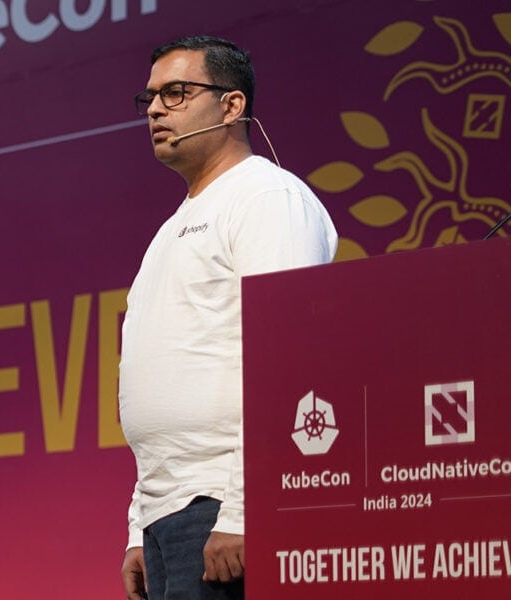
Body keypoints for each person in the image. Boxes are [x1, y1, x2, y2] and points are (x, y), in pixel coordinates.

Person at [118, 36, 337, 600]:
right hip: (172, 511)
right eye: (149, 98)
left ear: (231, 105)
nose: (156, 110)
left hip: (224, 507)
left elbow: (286, 359)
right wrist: (141, 524)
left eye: (176, 92)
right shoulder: (173, 226)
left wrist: (245, 507)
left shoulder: (267, 198)